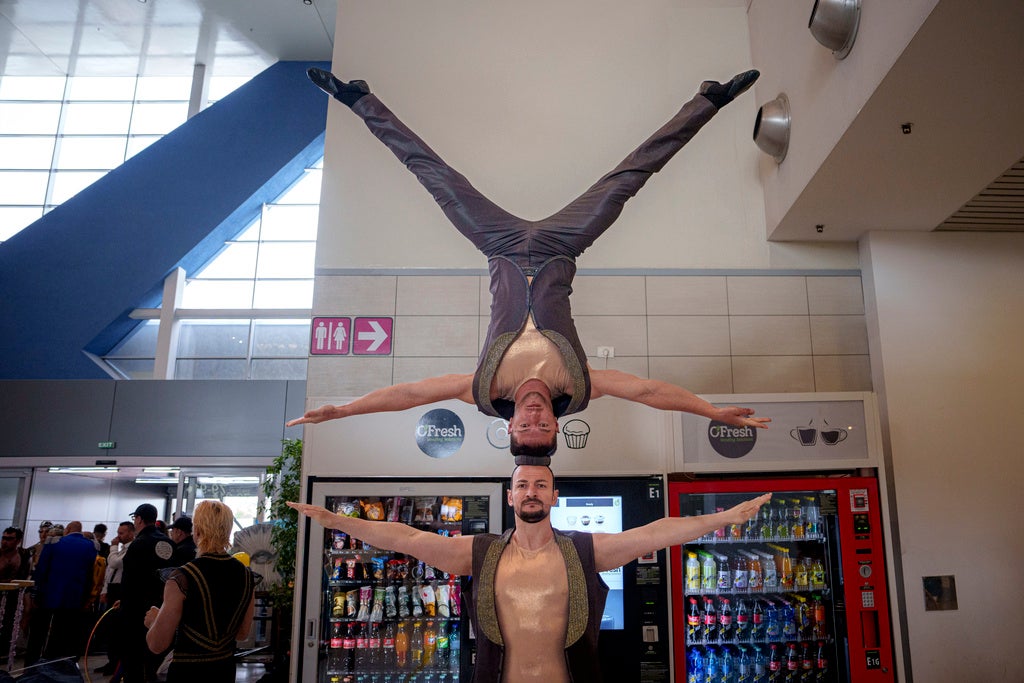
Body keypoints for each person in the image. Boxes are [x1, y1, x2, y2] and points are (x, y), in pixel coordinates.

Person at [289, 67, 770, 457]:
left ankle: (358, 100)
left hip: (498, 244)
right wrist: (710, 412)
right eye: (544, 426)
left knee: (434, 175)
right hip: (562, 246)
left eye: (526, 425)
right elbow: (647, 391)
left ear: (511, 425)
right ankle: (710, 100)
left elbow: (410, 394)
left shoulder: (483, 388)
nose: (535, 417)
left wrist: (345, 411)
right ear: (558, 426)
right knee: (629, 177)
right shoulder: (578, 385)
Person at [289, 467, 770, 683]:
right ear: (510, 497)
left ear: (554, 496)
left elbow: (657, 531)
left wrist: (719, 518)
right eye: (522, 485)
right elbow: (408, 539)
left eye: (541, 484)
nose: (531, 491)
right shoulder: (479, 553)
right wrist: (337, 522)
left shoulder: (586, 551)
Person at [143, 501, 256, 683]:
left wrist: (154, 621)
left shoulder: (182, 577)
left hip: (188, 672)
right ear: (228, 531)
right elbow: (242, 634)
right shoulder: (247, 576)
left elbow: (157, 644)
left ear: (197, 532)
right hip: (224, 671)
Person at [25, 520, 97, 665]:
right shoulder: (91, 546)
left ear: (68, 529)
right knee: (63, 633)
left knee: (38, 633)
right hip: (74, 598)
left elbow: (42, 570)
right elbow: (90, 574)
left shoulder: (53, 543)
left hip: (49, 594)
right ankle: (54, 665)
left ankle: (31, 665)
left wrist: (35, 593)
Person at [119, 504, 175, 683]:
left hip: (137, 613)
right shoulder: (170, 543)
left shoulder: (138, 544)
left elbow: (129, 581)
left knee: (134, 661)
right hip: (164, 610)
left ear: (139, 519)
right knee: (156, 661)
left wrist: (124, 605)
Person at [96, 521, 135, 677]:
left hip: (120, 591)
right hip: (112, 589)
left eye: (122, 533)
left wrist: (112, 547)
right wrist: (105, 589)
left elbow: (115, 563)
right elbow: (109, 570)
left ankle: (116, 663)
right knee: (110, 628)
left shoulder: (131, 549)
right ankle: (111, 660)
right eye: (118, 532)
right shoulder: (121, 549)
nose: (119, 536)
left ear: (131, 533)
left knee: (117, 628)